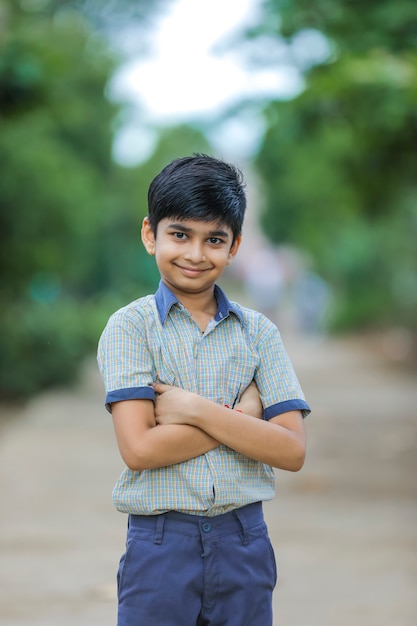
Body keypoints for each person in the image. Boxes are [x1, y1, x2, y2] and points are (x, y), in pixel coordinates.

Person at [97, 154, 311, 626]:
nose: (196, 254)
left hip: (244, 540)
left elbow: (291, 450)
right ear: (150, 233)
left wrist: (192, 409)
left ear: (233, 247)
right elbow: (139, 448)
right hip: (159, 544)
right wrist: (245, 416)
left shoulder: (259, 333)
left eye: (214, 239)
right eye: (180, 235)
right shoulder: (130, 329)